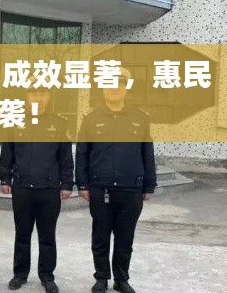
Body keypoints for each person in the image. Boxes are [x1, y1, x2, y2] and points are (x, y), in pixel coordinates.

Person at [76, 68, 156, 293]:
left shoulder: (140, 119)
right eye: (109, 83)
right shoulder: (91, 119)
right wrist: (82, 184)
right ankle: (101, 277)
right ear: (103, 88)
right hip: (100, 189)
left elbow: (147, 153)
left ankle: (121, 279)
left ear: (126, 88)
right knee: (100, 237)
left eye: (119, 83)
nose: (114, 88)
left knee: (125, 239)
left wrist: (149, 185)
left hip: (131, 189)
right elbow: (82, 153)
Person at [0, 83, 74, 292]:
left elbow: (65, 157)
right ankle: (20, 274)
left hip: (49, 189)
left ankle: (47, 276)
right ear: (26, 95)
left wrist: (67, 184)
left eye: (43, 93)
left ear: (49, 96)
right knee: (22, 234)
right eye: (33, 93)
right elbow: (7, 154)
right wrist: (4, 179)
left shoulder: (59, 123)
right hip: (22, 188)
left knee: (47, 236)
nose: (38, 98)